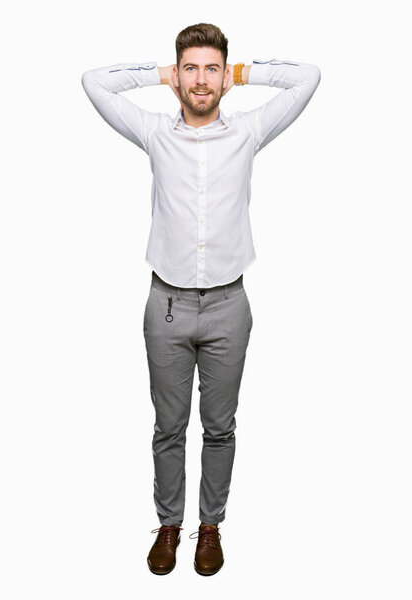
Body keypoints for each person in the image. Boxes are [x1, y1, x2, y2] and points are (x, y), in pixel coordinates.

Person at [81, 22, 320, 576]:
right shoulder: (154, 132)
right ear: (177, 75)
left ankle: (209, 525)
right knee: (168, 425)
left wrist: (241, 74)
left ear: (225, 75)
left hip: (228, 307)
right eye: (190, 67)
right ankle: (169, 524)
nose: (201, 79)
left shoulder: (249, 131)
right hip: (165, 305)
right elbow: (94, 82)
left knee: (220, 427)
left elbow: (307, 78)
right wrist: (162, 74)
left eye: (212, 67)